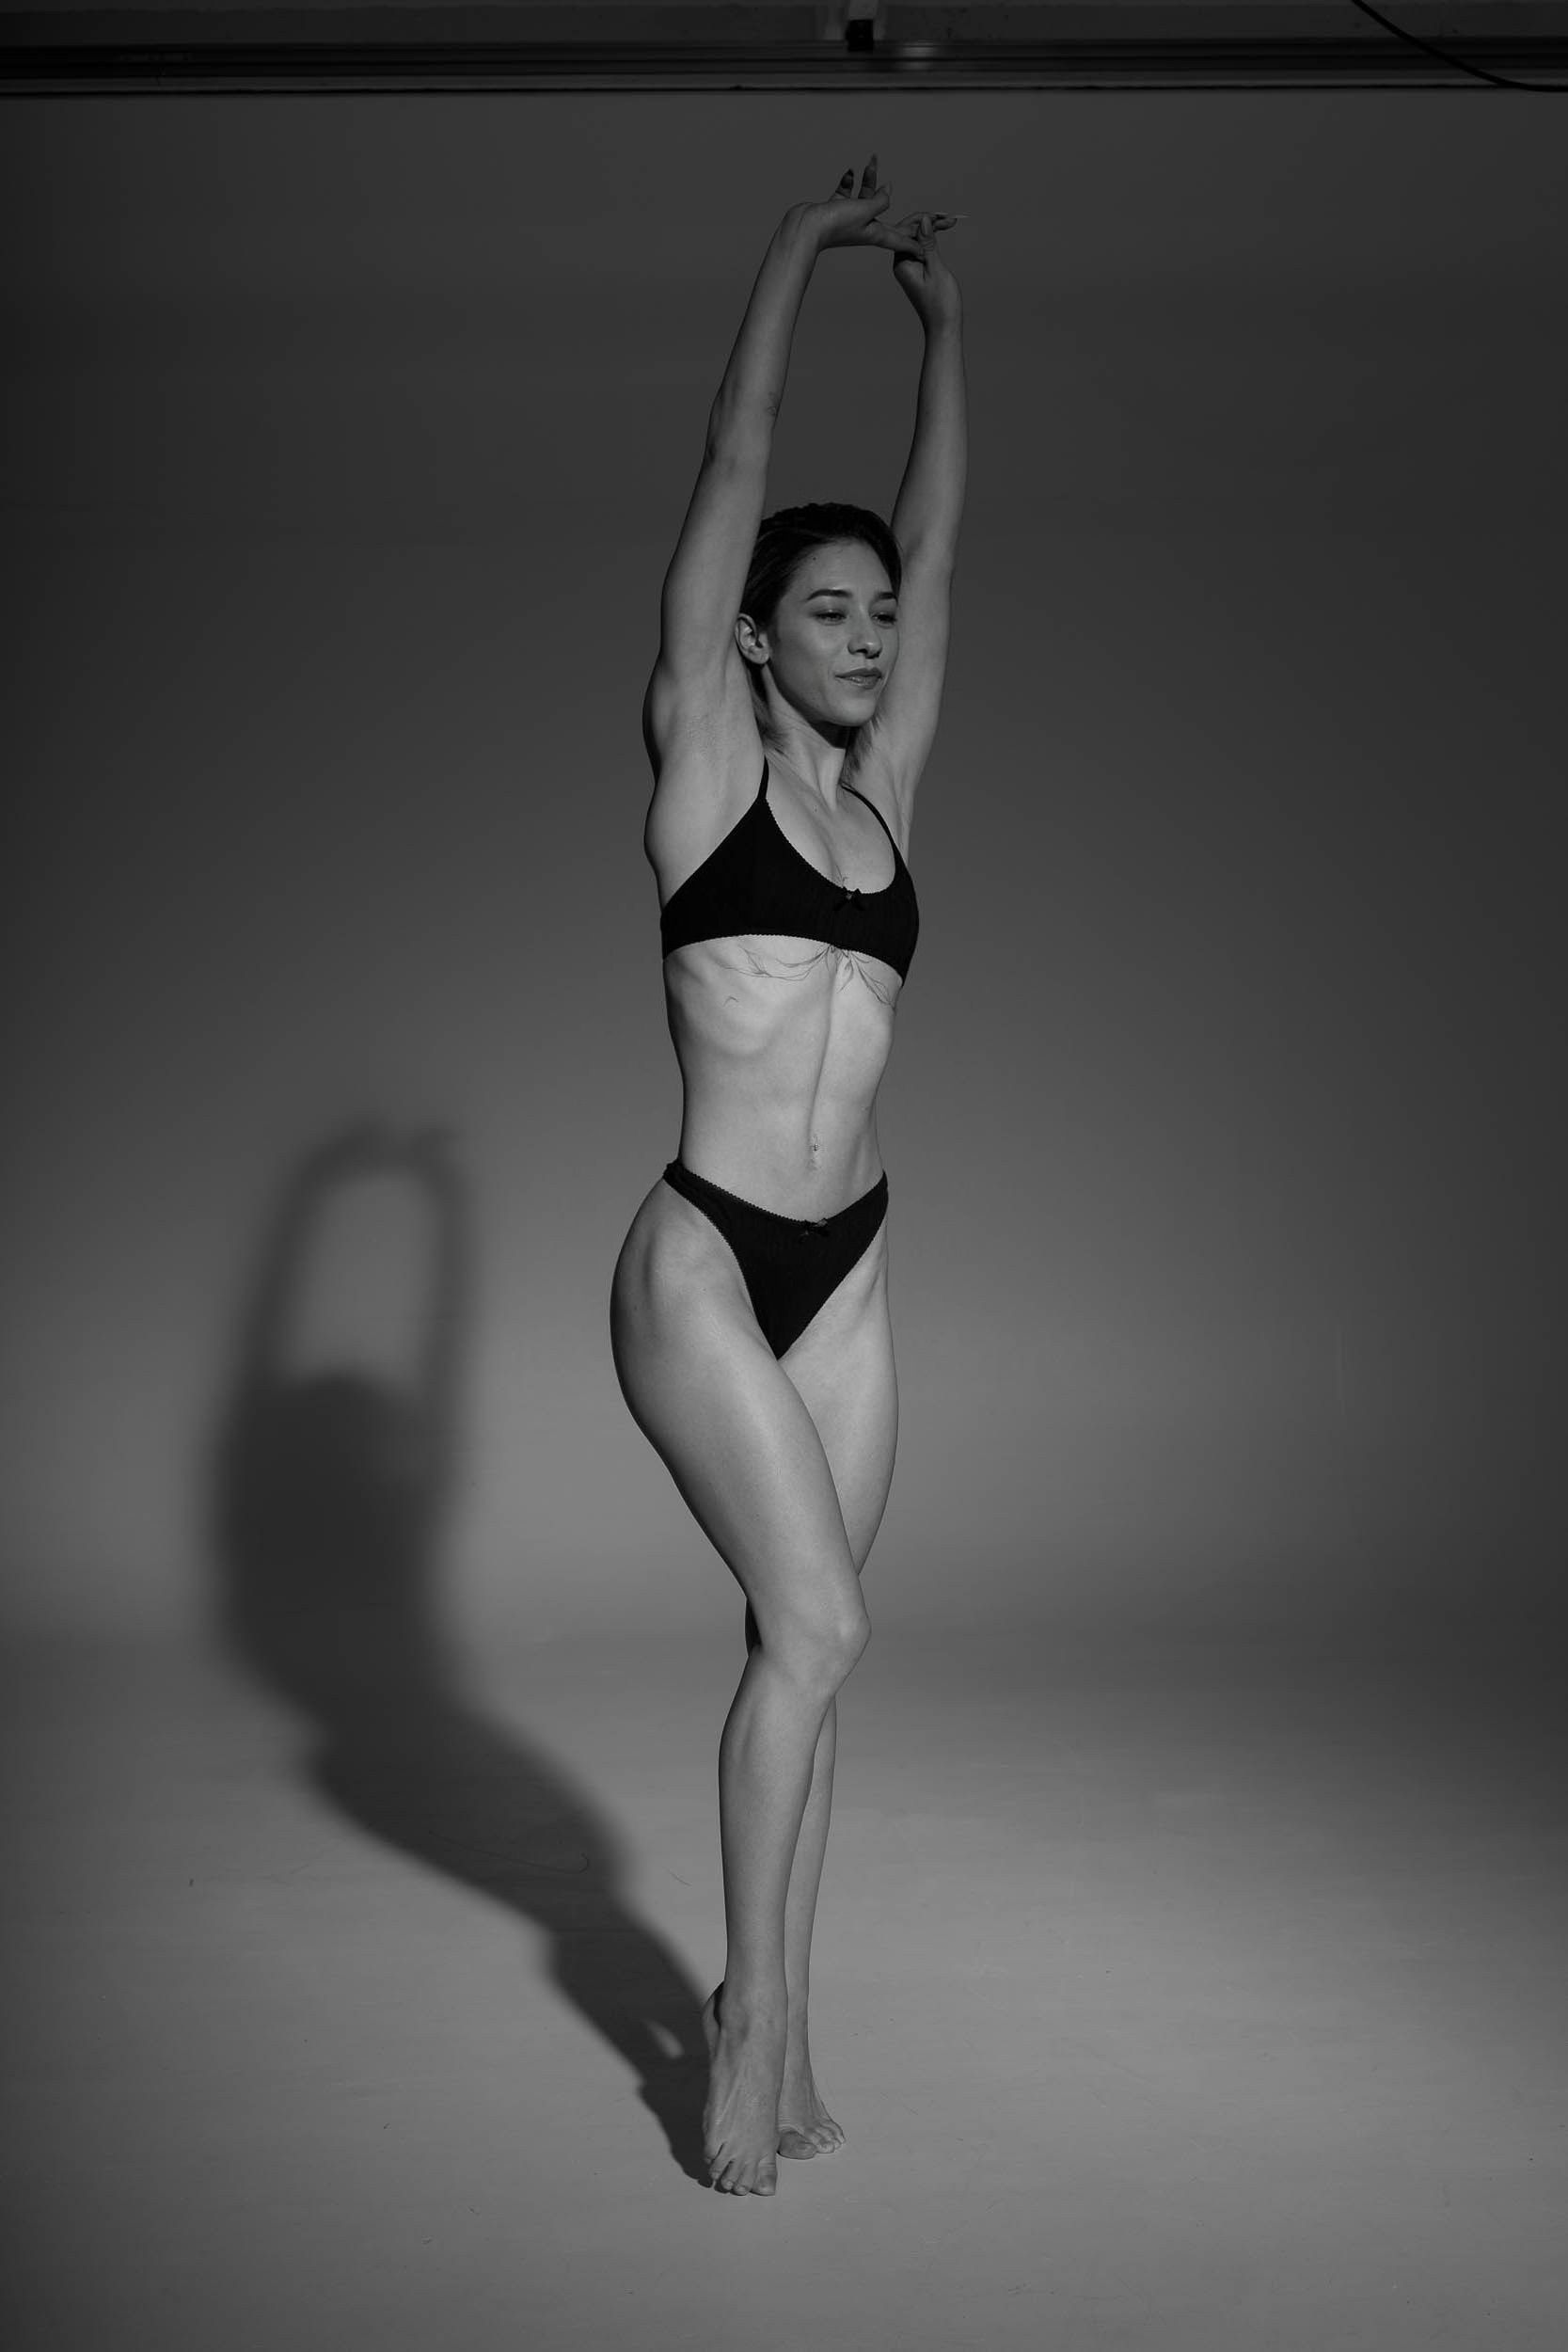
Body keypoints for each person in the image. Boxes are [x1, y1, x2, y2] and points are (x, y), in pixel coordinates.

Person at [610, 156, 967, 2196]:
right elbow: (738, 464)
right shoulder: (700, 771)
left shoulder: (884, 794)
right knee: (819, 1631)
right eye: (822, 614)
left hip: (850, 1264)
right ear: (746, 642)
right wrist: (799, 252)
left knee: (808, 1649)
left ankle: (797, 2017)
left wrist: (948, 332)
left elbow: (940, 539)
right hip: (703, 1261)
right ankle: (740, 2019)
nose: (861, 633)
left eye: (874, 621)